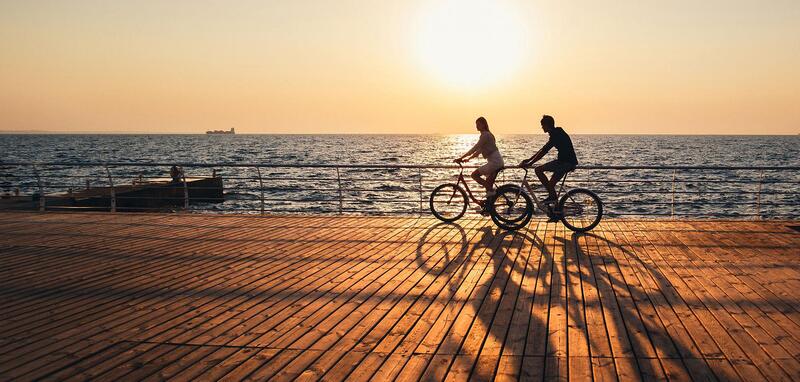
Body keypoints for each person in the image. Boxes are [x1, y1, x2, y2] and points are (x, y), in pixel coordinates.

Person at [520, 115, 578, 214]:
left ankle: (552, 197)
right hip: (567, 162)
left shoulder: (556, 134)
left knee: (538, 170)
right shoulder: (557, 132)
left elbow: (544, 151)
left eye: (542, 125)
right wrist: (529, 160)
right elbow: (543, 149)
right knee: (551, 185)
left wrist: (530, 163)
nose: (542, 127)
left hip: (564, 163)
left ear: (547, 125)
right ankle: (556, 211)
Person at [454, 117, 504, 211]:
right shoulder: (488, 135)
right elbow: (479, 151)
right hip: (496, 161)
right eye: (476, 124)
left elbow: (475, 148)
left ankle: (492, 191)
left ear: (484, 124)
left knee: (474, 175)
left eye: (479, 124)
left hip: (495, 162)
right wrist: (468, 159)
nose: (477, 126)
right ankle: (489, 207)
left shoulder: (485, 135)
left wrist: (461, 157)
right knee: (487, 183)